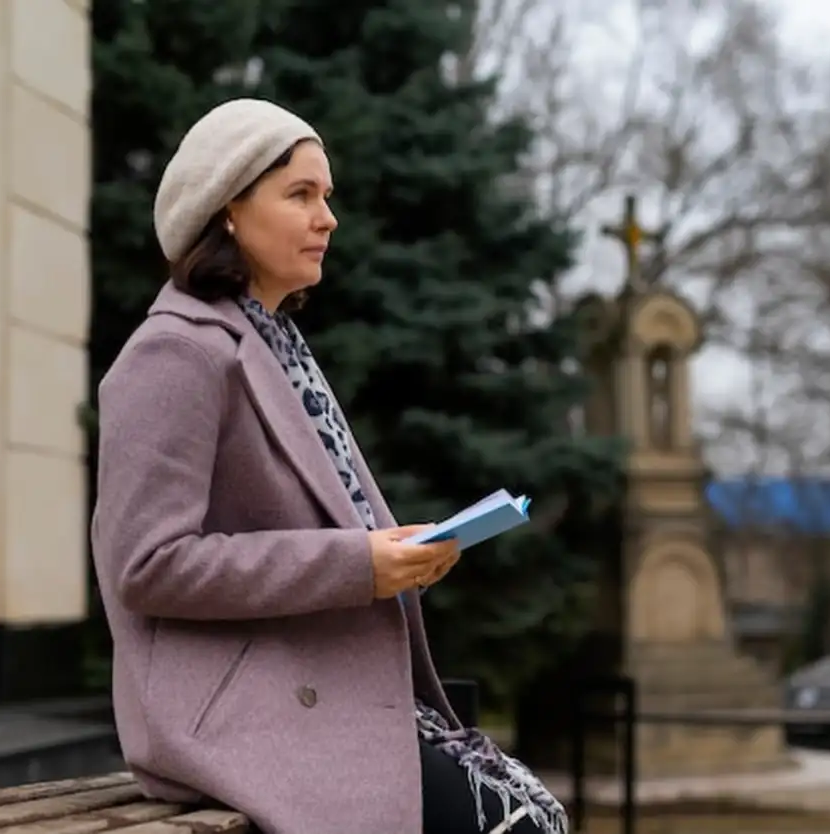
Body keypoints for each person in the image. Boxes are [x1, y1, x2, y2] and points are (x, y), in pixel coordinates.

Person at [90, 98, 568, 834]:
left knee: (536, 814)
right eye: (300, 195)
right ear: (227, 212)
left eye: (327, 196)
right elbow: (147, 564)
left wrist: (402, 555)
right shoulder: (175, 352)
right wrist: (356, 565)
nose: (328, 218)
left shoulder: (277, 346)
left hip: (316, 685)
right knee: (517, 827)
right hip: (238, 707)